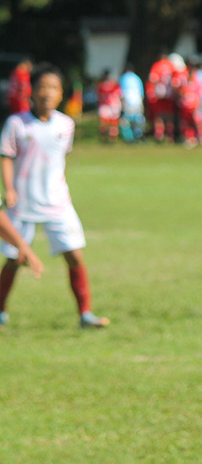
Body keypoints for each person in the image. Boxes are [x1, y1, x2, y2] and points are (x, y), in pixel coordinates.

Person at [0, 63, 109, 328]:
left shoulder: (66, 125)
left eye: (53, 88)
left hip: (57, 202)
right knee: (14, 259)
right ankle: (1, 311)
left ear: (61, 94)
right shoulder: (17, 123)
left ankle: (85, 314)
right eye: (42, 87)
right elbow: (6, 156)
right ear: (32, 91)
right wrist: (10, 188)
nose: (47, 93)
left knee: (74, 256)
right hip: (22, 202)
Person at [119, 63, 146, 142]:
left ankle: (129, 139)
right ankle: (139, 136)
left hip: (128, 102)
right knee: (138, 120)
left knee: (124, 121)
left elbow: (121, 93)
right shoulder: (137, 78)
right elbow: (141, 94)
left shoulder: (123, 78)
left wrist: (121, 105)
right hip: (138, 103)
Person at [95, 69, 122, 142]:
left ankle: (112, 138)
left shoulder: (113, 85)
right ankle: (106, 138)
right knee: (105, 122)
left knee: (113, 122)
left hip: (113, 105)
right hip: (106, 105)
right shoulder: (102, 85)